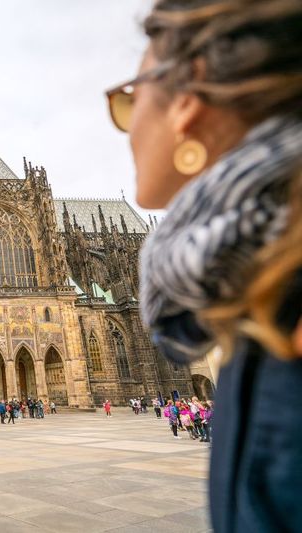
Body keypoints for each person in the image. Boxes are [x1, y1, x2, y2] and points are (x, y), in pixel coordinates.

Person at [112, 3, 302, 527]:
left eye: (127, 103)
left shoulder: (285, 300)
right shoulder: (254, 284)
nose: (126, 129)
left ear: (186, 106)